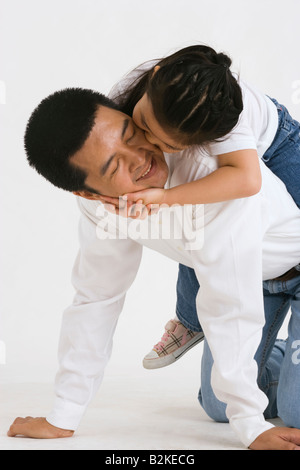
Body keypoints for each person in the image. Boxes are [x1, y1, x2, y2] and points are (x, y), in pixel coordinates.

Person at [7, 88, 300, 450]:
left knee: (294, 410)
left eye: (132, 135)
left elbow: (229, 305)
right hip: (254, 279)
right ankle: (285, 359)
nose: (141, 158)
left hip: (281, 269)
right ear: (89, 194)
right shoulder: (101, 209)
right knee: (218, 406)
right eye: (115, 166)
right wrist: (64, 415)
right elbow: (97, 297)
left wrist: (251, 425)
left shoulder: (207, 172)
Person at [99, 44, 300, 368]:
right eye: (143, 124)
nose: (149, 142)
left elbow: (247, 179)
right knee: (200, 219)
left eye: (166, 145)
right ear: (155, 77)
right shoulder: (148, 88)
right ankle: (190, 320)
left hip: (279, 146)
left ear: (201, 143)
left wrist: (164, 198)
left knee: (203, 200)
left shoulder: (223, 124)